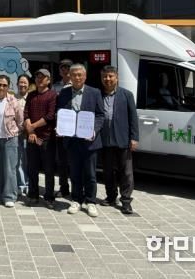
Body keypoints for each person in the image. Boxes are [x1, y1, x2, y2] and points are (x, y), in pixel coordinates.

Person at [56, 64, 105, 218]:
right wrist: (60, 127)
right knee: (75, 172)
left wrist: (94, 131)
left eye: (79, 75)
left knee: (90, 174)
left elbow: (100, 115)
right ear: (69, 76)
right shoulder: (64, 93)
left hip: (89, 140)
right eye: (74, 75)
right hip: (72, 140)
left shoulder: (95, 92)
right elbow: (60, 112)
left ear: (85, 76)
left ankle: (90, 201)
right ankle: (76, 200)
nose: (77, 77)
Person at [99, 65, 139, 215]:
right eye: (105, 76)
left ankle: (126, 201)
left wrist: (134, 138)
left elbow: (133, 118)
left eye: (111, 76)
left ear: (117, 78)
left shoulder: (126, 95)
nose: (107, 79)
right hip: (104, 139)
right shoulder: (97, 94)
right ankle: (111, 197)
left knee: (126, 172)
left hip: (123, 139)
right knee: (108, 171)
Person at [23, 69, 57, 208]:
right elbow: (26, 113)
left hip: (47, 138)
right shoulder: (31, 95)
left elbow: (50, 116)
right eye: (37, 77)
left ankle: (49, 197)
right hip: (32, 137)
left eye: (42, 77)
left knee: (49, 170)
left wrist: (33, 126)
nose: (39, 79)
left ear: (48, 80)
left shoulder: (53, 95)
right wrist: (30, 130)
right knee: (32, 168)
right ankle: (33, 195)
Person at [0, 75, 24, 207]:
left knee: (9, 168)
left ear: (8, 87)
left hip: (10, 138)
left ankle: (9, 196)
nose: (1, 87)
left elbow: (20, 120)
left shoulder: (13, 101)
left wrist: (16, 132)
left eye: (4, 85)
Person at [53, 59, 73, 198]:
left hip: (75, 130)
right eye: (62, 68)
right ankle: (63, 187)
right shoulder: (55, 87)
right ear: (60, 71)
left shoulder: (77, 85)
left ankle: (77, 189)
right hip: (60, 129)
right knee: (62, 161)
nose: (65, 70)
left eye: (68, 67)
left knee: (75, 161)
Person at [14, 74, 30, 198]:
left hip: (29, 134)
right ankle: (21, 185)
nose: (22, 85)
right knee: (18, 160)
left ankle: (29, 184)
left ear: (28, 85)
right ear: (17, 84)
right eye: (20, 82)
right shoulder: (13, 98)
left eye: (25, 82)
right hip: (17, 134)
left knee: (29, 160)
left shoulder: (32, 98)